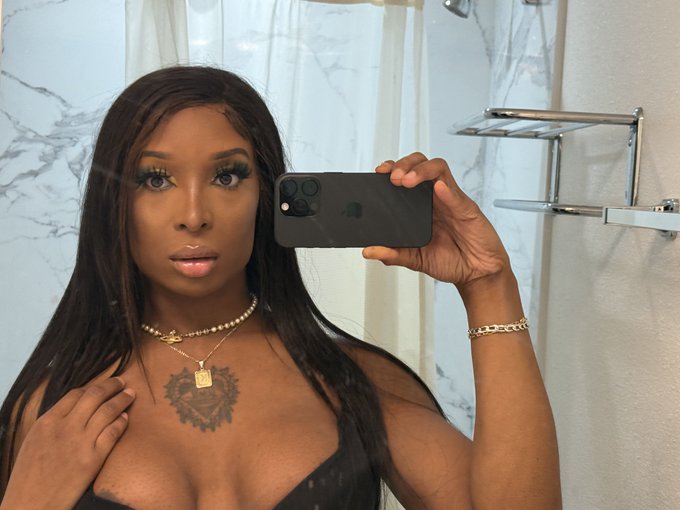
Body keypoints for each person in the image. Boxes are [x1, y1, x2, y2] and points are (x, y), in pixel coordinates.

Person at [0, 66, 561, 510]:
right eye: (155, 178)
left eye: (227, 176)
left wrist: (488, 284)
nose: (193, 215)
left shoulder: (355, 385)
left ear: (265, 194)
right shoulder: (52, 411)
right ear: (114, 203)